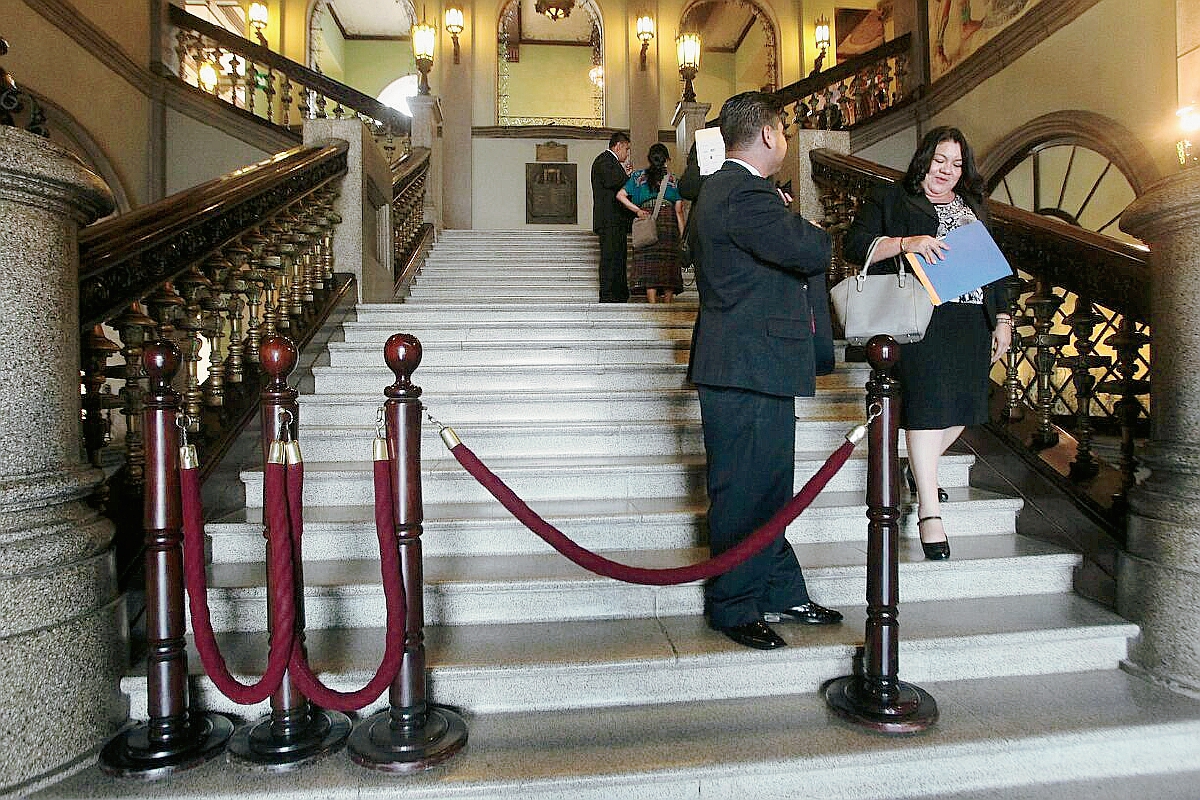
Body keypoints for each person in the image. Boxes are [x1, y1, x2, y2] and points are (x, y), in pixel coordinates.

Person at [688, 91, 842, 651]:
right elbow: (810, 249)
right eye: (785, 129)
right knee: (745, 493)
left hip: (752, 363)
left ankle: (779, 590)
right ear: (770, 135)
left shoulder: (727, 191)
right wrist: (798, 221)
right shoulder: (746, 196)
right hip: (745, 365)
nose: (787, 138)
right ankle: (733, 606)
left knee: (768, 490)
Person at [843, 126, 1013, 561]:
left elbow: (994, 268)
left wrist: (1003, 319)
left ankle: (917, 467)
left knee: (970, 407)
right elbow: (854, 244)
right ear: (924, 158)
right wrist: (906, 243)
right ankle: (929, 513)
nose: (947, 171)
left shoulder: (972, 206)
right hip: (923, 319)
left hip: (972, 320)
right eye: (941, 161)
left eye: (957, 165)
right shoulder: (894, 198)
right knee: (929, 409)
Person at [617, 143, 685, 304]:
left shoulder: (638, 177)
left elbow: (620, 195)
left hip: (646, 220)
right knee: (668, 264)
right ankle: (667, 304)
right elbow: (679, 210)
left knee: (649, 263)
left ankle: (652, 304)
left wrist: (637, 211)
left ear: (649, 159)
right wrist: (683, 235)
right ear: (666, 160)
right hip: (668, 222)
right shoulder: (674, 180)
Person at [591, 131, 633, 303]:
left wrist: (626, 175)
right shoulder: (604, 160)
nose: (628, 153)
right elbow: (614, 182)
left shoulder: (610, 162)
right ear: (618, 146)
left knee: (618, 257)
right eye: (627, 149)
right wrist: (628, 177)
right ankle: (609, 295)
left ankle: (619, 294)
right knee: (610, 259)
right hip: (610, 220)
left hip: (616, 221)